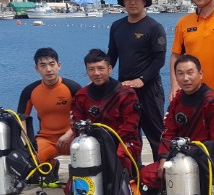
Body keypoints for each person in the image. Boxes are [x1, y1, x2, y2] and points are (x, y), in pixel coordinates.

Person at [108, 0, 167, 160]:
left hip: (149, 88)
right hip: (125, 88)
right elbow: (112, 55)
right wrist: (101, 77)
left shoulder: (154, 27)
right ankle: (133, 172)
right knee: (128, 135)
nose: (132, 2)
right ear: (123, 2)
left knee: (156, 135)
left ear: (144, 2)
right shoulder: (117, 26)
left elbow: (159, 60)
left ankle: (161, 172)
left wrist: (141, 80)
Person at [150, 54, 214, 178]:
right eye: (180, 74)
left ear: (200, 74)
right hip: (179, 158)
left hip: (206, 162)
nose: (185, 78)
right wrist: (163, 159)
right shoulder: (177, 99)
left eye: (190, 73)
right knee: (147, 175)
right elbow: (168, 133)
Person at [71, 49, 142, 171]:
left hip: (123, 141)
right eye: (91, 69)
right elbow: (77, 124)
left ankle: (127, 177)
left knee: (119, 156)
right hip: (92, 141)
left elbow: (130, 127)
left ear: (110, 69)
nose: (96, 73)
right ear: (87, 71)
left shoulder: (126, 94)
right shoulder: (81, 96)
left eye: (101, 68)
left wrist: (106, 144)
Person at [16, 48, 81, 178]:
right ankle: (52, 165)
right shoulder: (30, 91)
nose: (49, 69)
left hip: (72, 137)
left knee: (89, 156)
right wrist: (28, 144)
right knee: (28, 166)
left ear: (59, 65)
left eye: (52, 64)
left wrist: (69, 134)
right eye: (43, 65)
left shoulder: (72, 88)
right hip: (46, 139)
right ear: (37, 69)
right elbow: (21, 119)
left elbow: (84, 116)